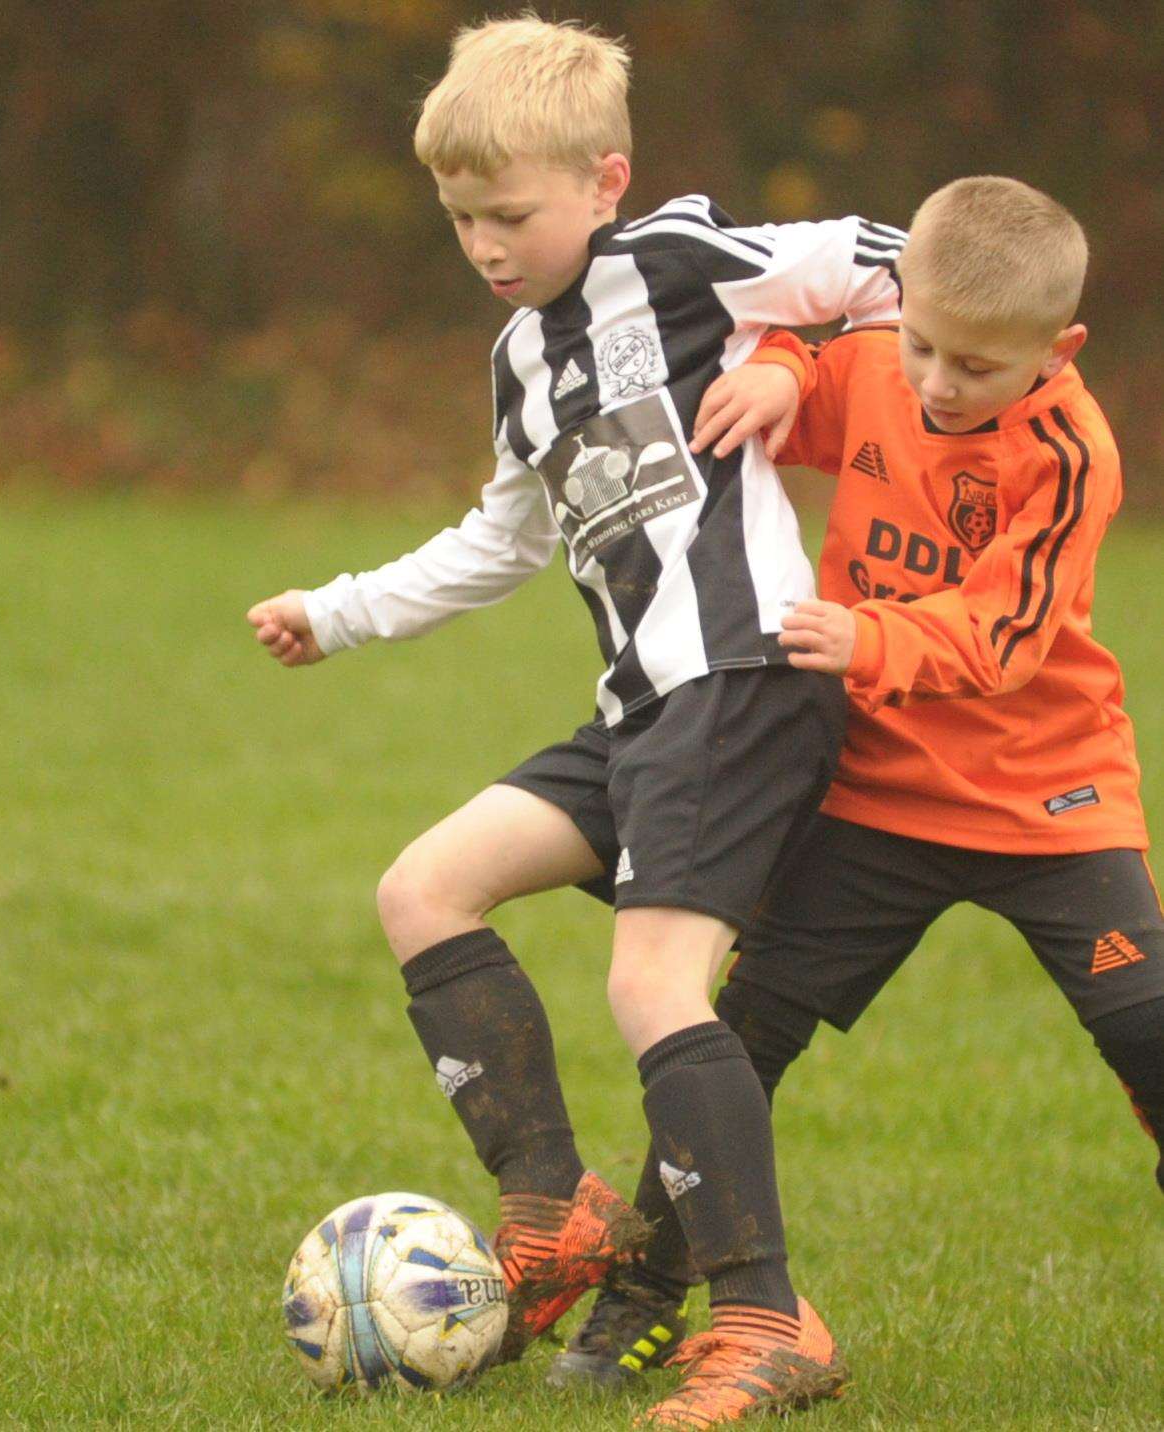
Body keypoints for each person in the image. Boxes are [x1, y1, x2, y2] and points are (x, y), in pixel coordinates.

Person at [246, 15, 906, 1424]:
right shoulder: (517, 359)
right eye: (460, 220)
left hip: (740, 680)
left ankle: (761, 1317)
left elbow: (901, 261)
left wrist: (794, 365)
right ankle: (551, 1206)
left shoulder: (674, 258)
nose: (485, 244)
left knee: (649, 989)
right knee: (423, 889)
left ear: (602, 179)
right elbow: (500, 538)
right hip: (637, 713)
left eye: (510, 214)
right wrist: (339, 607)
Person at [553, 175, 1164, 1409]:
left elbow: (1008, 631)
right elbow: (818, 382)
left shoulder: (1067, 450)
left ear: (1062, 349)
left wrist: (870, 641)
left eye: (977, 367)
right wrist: (784, 371)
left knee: (1153, 1038)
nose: (937, 382)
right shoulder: (889, 358)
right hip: (876, 797)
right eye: (923, 342)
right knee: (740, 1039)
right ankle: (647, 1296)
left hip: (1050, 806)